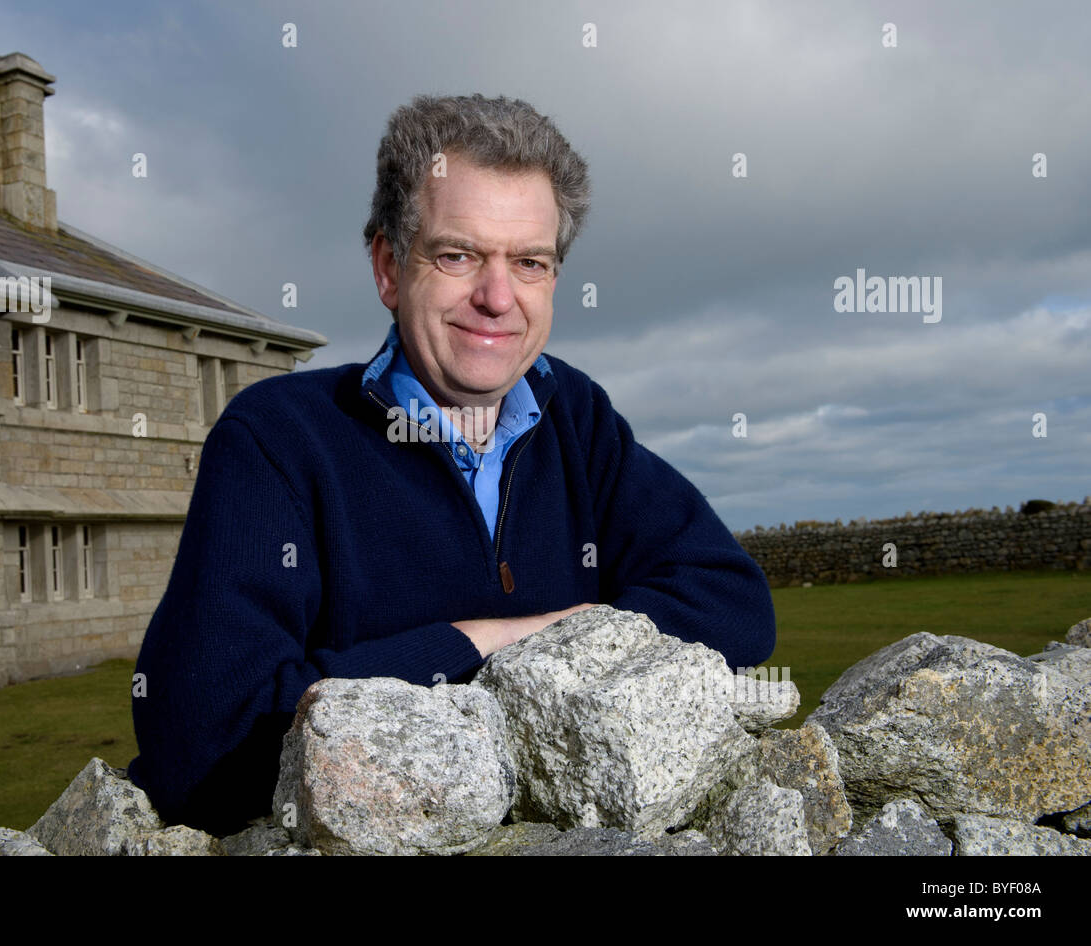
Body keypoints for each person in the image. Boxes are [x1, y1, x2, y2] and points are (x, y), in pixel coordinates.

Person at [128, 93, 776, 836]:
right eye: (458, 254)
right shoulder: (277, 438)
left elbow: (734, 605)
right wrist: (490, 640)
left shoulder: (576, 415)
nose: (497, 298)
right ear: (387, 267)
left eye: (529, 262)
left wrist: (536, 640)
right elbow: (203, 748)